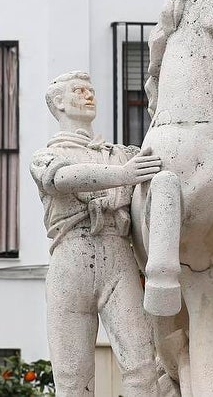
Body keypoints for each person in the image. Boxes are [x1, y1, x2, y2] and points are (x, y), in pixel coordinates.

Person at [30, 71, 162, 396]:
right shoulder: (46, 156)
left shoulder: (121, 154)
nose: (89, 96)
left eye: (91, 90)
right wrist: (124, 175)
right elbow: (60, 178)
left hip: (119, 256)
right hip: (71, 258)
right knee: (72, 377)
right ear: (59, 102)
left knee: (143, 365)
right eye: (79, 90)